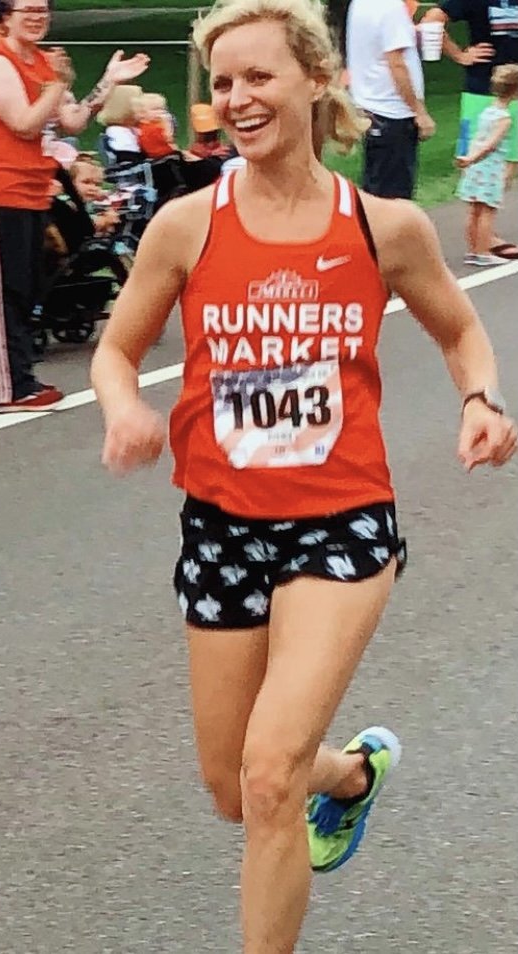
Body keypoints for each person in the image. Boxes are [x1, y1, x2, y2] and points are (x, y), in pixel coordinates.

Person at [91, 1, 517, 951]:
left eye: (258, 77)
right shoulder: (185, 226)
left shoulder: (384, 226)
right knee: (228, 784)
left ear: (316, 80)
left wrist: (479, 400)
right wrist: (123, 406)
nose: (237, 99)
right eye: (224, 82)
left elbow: (459, 329)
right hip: (220, 524)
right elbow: (116, 352)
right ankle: (354, 776)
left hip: (342, 521)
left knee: (268, 775)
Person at [0, 0, 149, 411]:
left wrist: (108, 82)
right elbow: (24, 123)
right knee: (5, 288)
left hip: (31, 187)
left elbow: (73, 121)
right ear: (5, 15)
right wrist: (58, 84)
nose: (37, 16)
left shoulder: (44, 63)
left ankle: (20, 379)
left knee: (28, 285)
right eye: (26, 9)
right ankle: (7, 387)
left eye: (42, 9)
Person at [421, 0, 518, 258]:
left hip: (515, 93)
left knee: (509, 162)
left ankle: (486, 232)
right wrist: (459, 54)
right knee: (480, 164)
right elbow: (432, 19)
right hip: (482, 91)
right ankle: (480, 238)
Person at [346, 0, 435, 199]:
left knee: (375, 187)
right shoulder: (391, 7)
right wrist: (419, 111)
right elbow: (396, 64)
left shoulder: (360, 4)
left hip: (369, 105)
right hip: (393, 112)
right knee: (394, 196)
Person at [457, 63, 518, 265]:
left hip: (476, 168)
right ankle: (484, 252)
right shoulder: (505, 118)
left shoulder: (487, 111)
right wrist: (474, 157)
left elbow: (477, 139)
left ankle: (473, 249)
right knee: (487, 212)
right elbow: (491, 145)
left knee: (473, 211)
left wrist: (468, 158)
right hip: (490, 169)